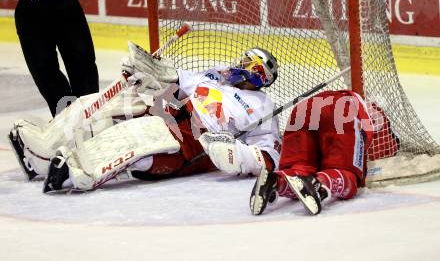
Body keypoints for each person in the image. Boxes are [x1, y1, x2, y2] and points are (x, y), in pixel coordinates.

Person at [9, 43, 281, 193]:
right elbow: (172, 77)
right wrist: (148, 71)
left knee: (136, 135)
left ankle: (73, 173)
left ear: (258, 75)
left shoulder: (262, 106)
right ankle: (44, 147)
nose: (239, 64)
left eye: (248, 63)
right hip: (170, 110)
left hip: (193, 143)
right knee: (100, 106)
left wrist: (240, 156)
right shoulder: (216, 75)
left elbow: (270, 153)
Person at [250, 90, 400, 216]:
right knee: (349, 176)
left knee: (298, 170)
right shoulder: (384, 132)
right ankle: (319, 184)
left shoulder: (367, 107)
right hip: (341, 109)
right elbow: (379, 153)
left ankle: (276, 181)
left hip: (303, 109)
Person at [10, 0, 110, 116]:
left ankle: (91, 120)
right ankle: (67, 120)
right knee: (43, 71)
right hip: (28, 11)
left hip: (63, 5)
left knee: (82, 66)